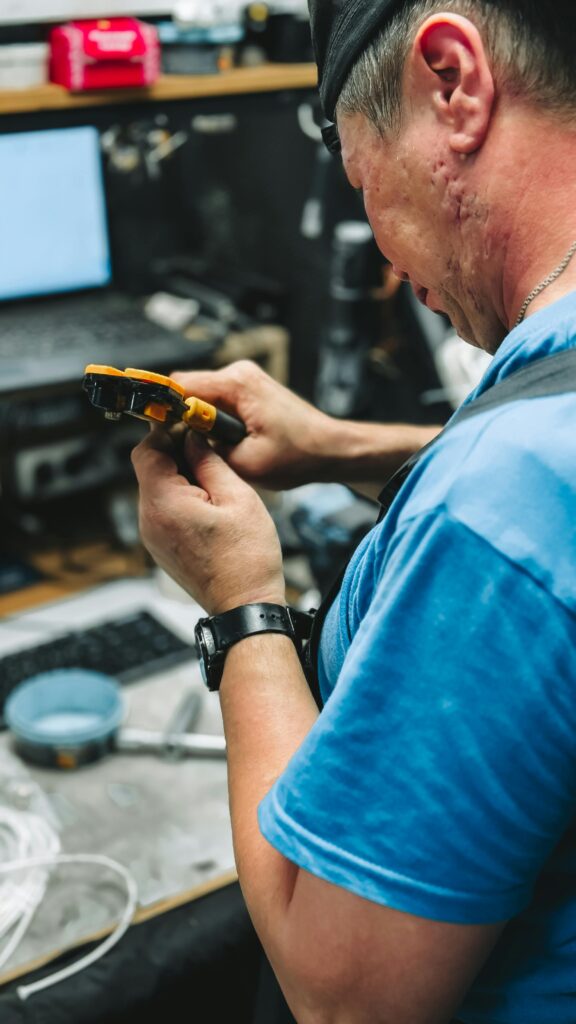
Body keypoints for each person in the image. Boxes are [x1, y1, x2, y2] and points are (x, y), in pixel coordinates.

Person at [131, 2, 576, 1021]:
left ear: (454, 83)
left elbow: (341, 997)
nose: (381, 250)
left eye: (363, 184)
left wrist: (244, 601)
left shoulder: (498, 510)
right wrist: (346, 447)